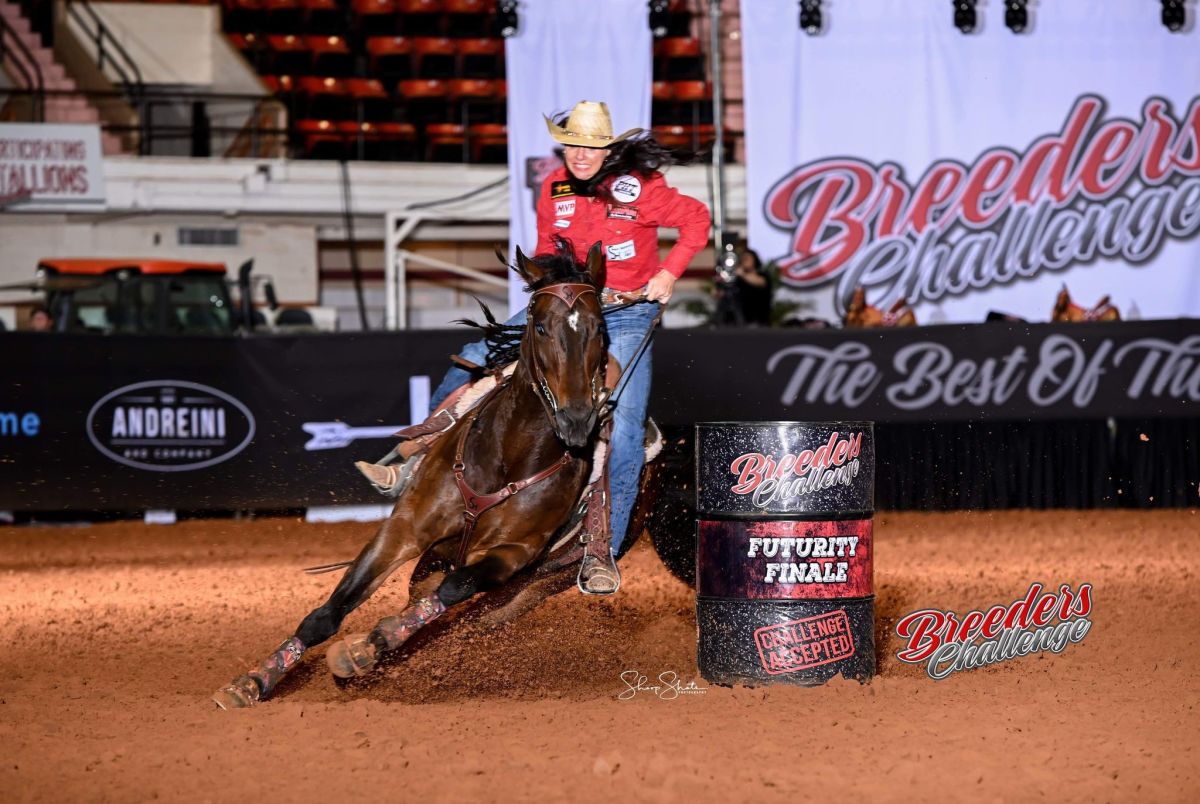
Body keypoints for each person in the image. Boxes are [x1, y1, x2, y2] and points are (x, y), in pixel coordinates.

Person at [357, 100, 711, 593]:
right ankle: (412, 461)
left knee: (627, 427)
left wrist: (670, 272)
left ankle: (599, 550)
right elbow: (548, 248)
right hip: (567, 304)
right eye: (572, 144)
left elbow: (697, 219)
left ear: (607, 148)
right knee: (474, 355)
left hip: (627, 313)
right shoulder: (554, 188)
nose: (580, 154)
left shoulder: (640, 188)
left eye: (590, 145)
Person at [714, 248, 771, 326]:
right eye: (742, 259)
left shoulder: (762, 275)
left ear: (754, 260)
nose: (744, 261)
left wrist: (742, 274)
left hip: (758, 321)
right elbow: (724, 293)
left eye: (747, 258)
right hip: (739, 321)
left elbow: (760, 282)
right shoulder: (737, 278)